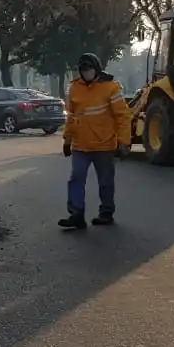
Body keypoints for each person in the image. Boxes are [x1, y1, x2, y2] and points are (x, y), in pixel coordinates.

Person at [59, 53, 130, 229]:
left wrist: (123, 142)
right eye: (83, 70)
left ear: (96, 69)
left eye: (89, 69)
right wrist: (67, 140)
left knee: (105, 181)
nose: (87, 73)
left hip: (103, 145)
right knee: (76, 178)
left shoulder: (111, 88)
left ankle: (106, 213)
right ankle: (76, 214)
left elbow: (122, 116)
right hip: (81, 146)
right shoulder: (74, 88)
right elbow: (71, 117)